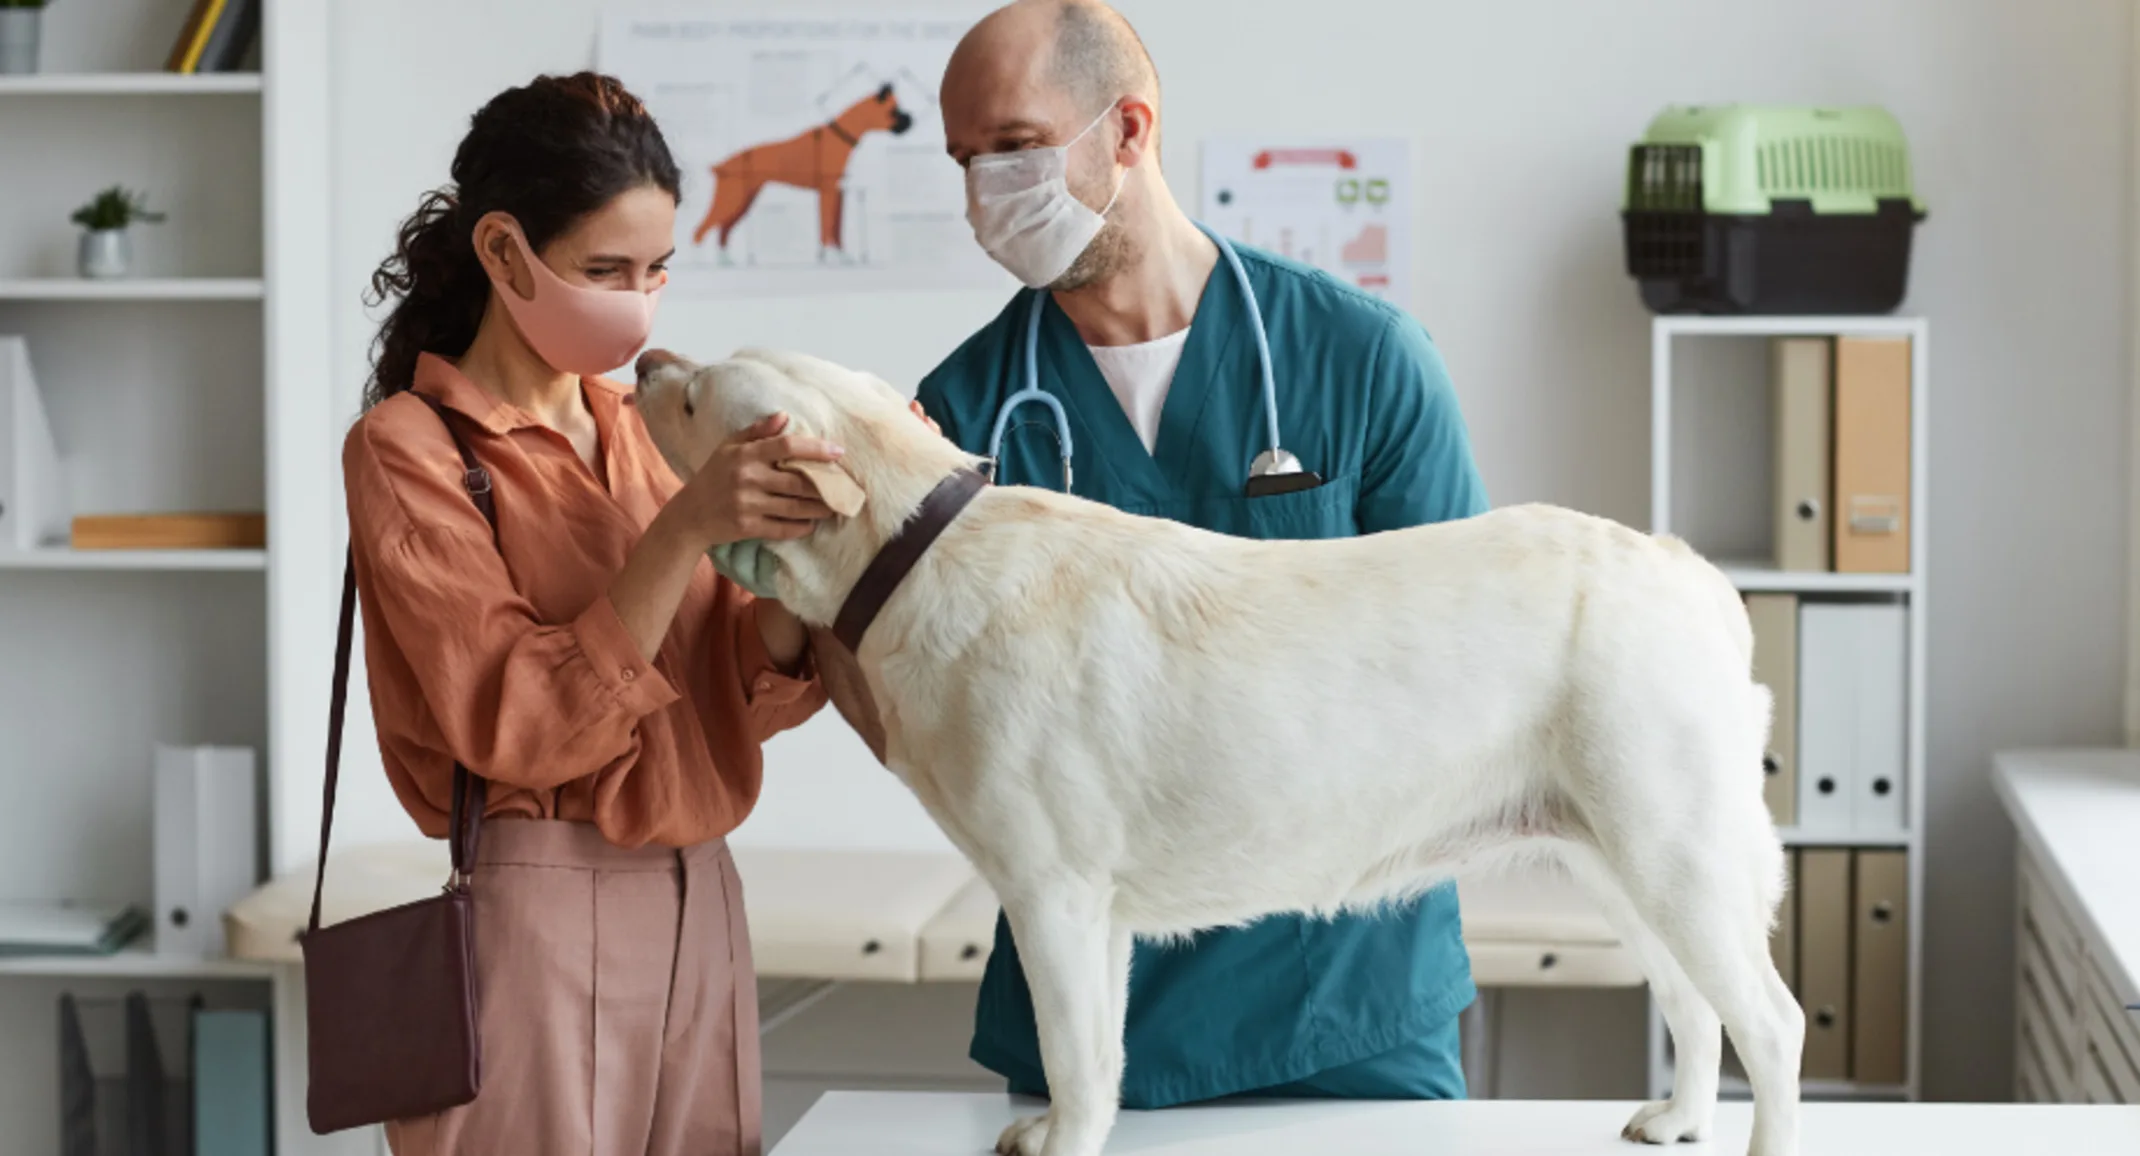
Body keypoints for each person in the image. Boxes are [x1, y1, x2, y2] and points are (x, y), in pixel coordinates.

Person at [916, 0, 1491, 1110]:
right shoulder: (962, 414)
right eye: (965, 160)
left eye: (1015, 146)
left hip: (1342, 994)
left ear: (1128, 130)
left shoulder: (1362, 361)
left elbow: (1465, 659)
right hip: (1091, 1017)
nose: (986, 189)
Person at [343, 72, 838, 1156]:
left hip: (703, 895)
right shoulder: (411, 448)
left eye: (658, 269)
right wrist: (683, 532)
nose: (639, 299)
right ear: (504, 252)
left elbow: (723, 696)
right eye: (605, 269)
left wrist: (804, 579)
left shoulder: (652, 427)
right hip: (539, 918)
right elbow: (514, 722)